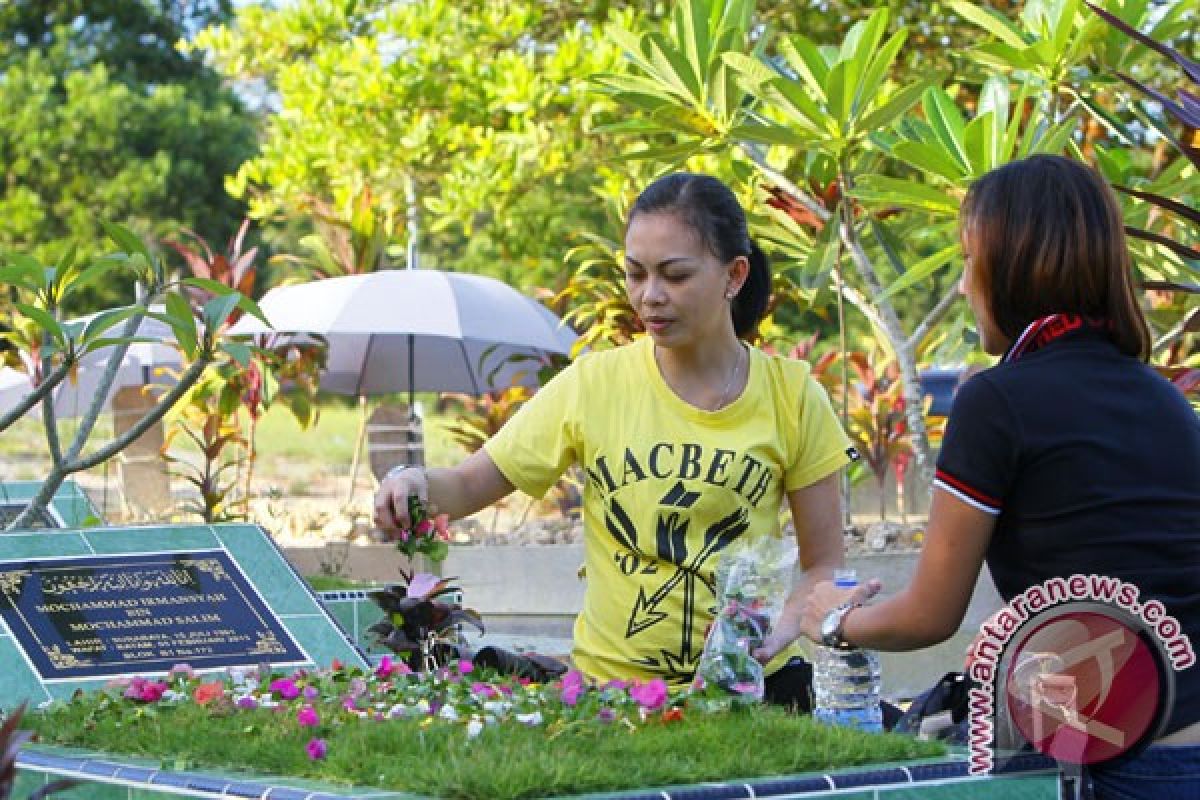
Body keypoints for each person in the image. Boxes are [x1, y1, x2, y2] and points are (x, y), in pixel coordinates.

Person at [759, 155, 1200, 796]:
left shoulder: (997, 403)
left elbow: (931, 615)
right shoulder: (1163, 398)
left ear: (1015, 266)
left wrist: (828, 621)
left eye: (970, 261)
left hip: (1125, 768)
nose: (965, 286)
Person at [375, 172, 856, 707]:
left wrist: (782, 630)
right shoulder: (594, 384)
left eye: (675, 275)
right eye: (635, 274)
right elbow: (469, 484)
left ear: (734, 275)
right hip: (613, 699)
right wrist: (411, 481)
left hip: (754, 691)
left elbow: (824, 562)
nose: (650, 297)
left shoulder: (792, 396)